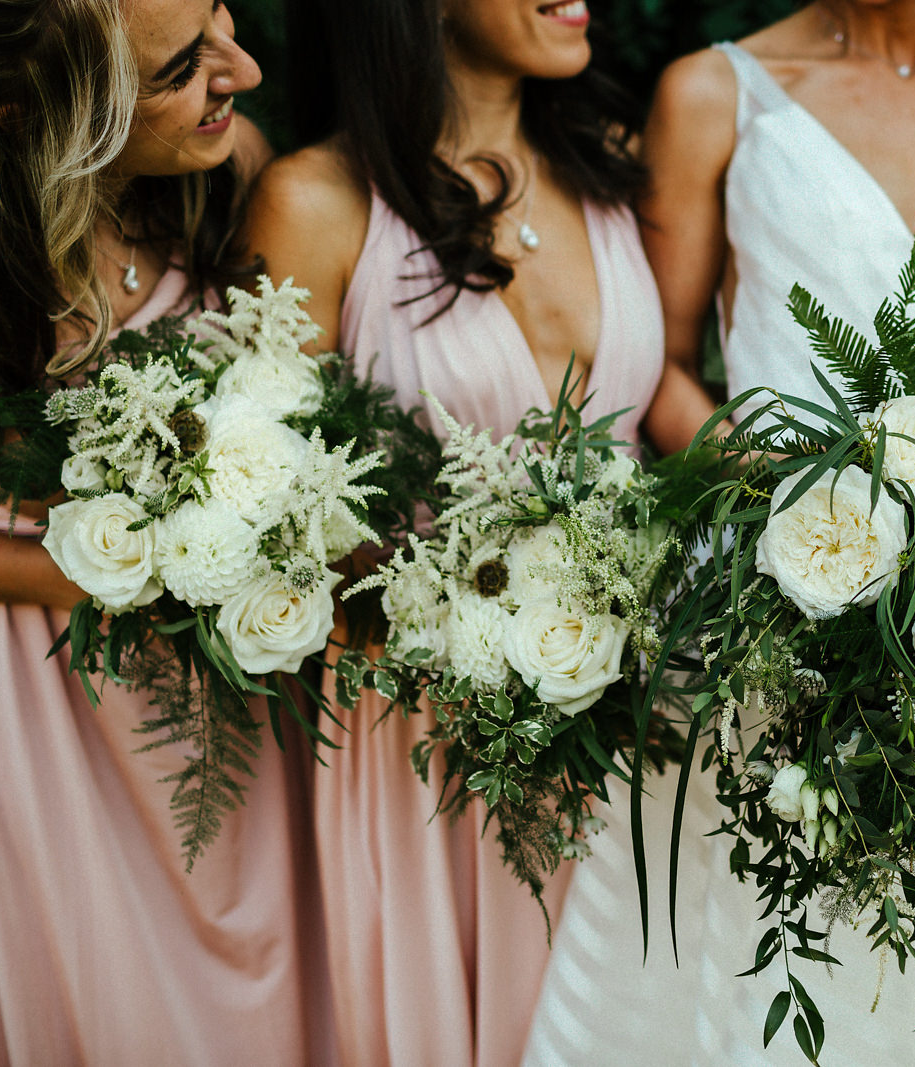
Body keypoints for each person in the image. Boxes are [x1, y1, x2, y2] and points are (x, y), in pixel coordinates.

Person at [524, 3, 915, 1064]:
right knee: (765, 946)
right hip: (765, 607)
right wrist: (789, 508)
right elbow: (656, 360)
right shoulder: (714, 93)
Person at [242, 1, 662, 1062]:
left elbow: (655, 426)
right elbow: (262, 512)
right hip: (431, 739)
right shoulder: (316, 202)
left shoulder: (607, 163)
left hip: (640, 713)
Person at [0, 0, 334, 1064]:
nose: (239, 72)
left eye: (221, 21)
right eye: (181, 68)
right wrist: (105, 576)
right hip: (32, 673)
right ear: (34, 116)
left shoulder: (227, 168)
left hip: (227, 673)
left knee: (287, 971)